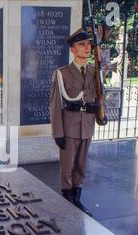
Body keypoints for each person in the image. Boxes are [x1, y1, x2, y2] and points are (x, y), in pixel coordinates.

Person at [49, 28, 107, 217]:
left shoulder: (94, 72)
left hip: (87, 127)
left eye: (88, 44)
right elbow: (55, 105)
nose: (87, 47)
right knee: (67, 166)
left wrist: (100, 116)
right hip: (69, 127)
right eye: (81, 45)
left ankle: (77, 198)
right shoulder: (62, 74)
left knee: (81, 165)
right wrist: (58, 132)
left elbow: (100, 98)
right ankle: (67, 198)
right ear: (73, 50)